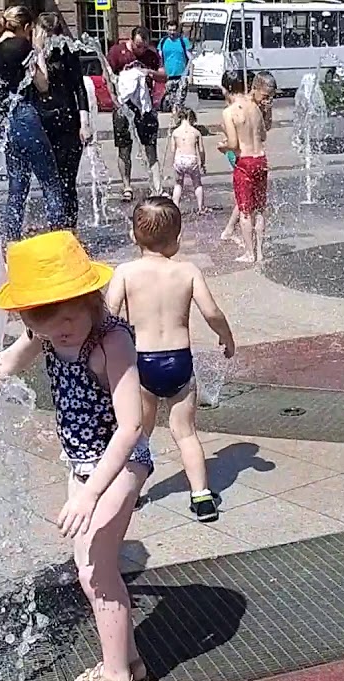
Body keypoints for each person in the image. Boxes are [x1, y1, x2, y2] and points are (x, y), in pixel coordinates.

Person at [0, 231, 153, 681]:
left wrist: (89, 496)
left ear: (88, 298)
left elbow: (131, 427)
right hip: (82, 463)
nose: (59, 332)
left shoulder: (111, 340)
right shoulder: (44, 331)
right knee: (90, 569)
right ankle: (128, 661)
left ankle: (119, 680)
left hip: (121, 462)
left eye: (67, 319)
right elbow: (4, 364)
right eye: (43, 323)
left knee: (96, 569)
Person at [106, 198, 235, 523]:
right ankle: (202, 496)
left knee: (139, 432)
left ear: (134, 237)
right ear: (176, 238)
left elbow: (108, 316)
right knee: (186, 432)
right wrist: (226, 335)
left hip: (142, 363)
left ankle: (131, 494)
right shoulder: (187, 271)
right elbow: (211, 312)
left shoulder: (125, 272)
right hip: (178, 362)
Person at [0, 6, 68, 241]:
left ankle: (12, 241)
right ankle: (58, 239)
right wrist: (38, 50)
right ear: (27, 27)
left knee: (17, 187)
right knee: (50, 181)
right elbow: (43, 84)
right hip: (25, 117)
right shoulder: (22, 46)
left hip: (6, 122)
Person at [36, 12, 92, 228]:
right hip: (42, 123)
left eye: (50, 32)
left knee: (67, 180)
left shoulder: (66, 52)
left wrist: (84, 123)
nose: (46, 36)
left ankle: (69, 228)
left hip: (68, 122)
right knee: (51, 181)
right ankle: (55, 226)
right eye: (43, 31)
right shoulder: (32, 54)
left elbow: (79, 88)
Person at [108, 27, 167, 200]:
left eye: (144, 46)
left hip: (145, 108)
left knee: (150, 146)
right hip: (123, 107)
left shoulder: (151, 55)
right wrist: (113, 99)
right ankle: (127, 186)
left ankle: (156, 187)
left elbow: (164, 75)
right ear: (131, 40)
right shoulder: (117, 52)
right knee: (124, 148)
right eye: (138, 46)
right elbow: (107, 74)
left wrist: (150, 72)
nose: (141, 50)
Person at [218, 70, 268, 263]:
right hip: (261, 159)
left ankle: (249, 253)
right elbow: (263, 135)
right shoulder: (254, 107)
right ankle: (261, 252)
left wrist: (223, 147)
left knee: (245, 210)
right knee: (260, 208)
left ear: (226, 88)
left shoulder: (229, 112)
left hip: (245, 162)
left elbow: (232, 144)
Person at [166, 107, 205, 213]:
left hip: (179, 159)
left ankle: (175, 208)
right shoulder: (196, 132)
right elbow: (201, 150)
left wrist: (172, 163)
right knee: (197, 183)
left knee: (178, 184)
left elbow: (173, 150)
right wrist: (203, 163)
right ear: (191, 118)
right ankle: (201, 208)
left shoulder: (175, 132)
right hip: (192, 159)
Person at [157, 20, 191, 113]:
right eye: (170, 30)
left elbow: (190, 58)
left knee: (179, 101)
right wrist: (159, 71)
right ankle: (176, 118)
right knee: (171, 101)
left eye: (174, 30)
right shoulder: (163, 42)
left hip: (181, 76)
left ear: (177, 30)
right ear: (167, 30)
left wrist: (188, 73)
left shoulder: (183, 42)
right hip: (168, 77)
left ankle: (178, 117)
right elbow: (159, 58)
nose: (172, 32)